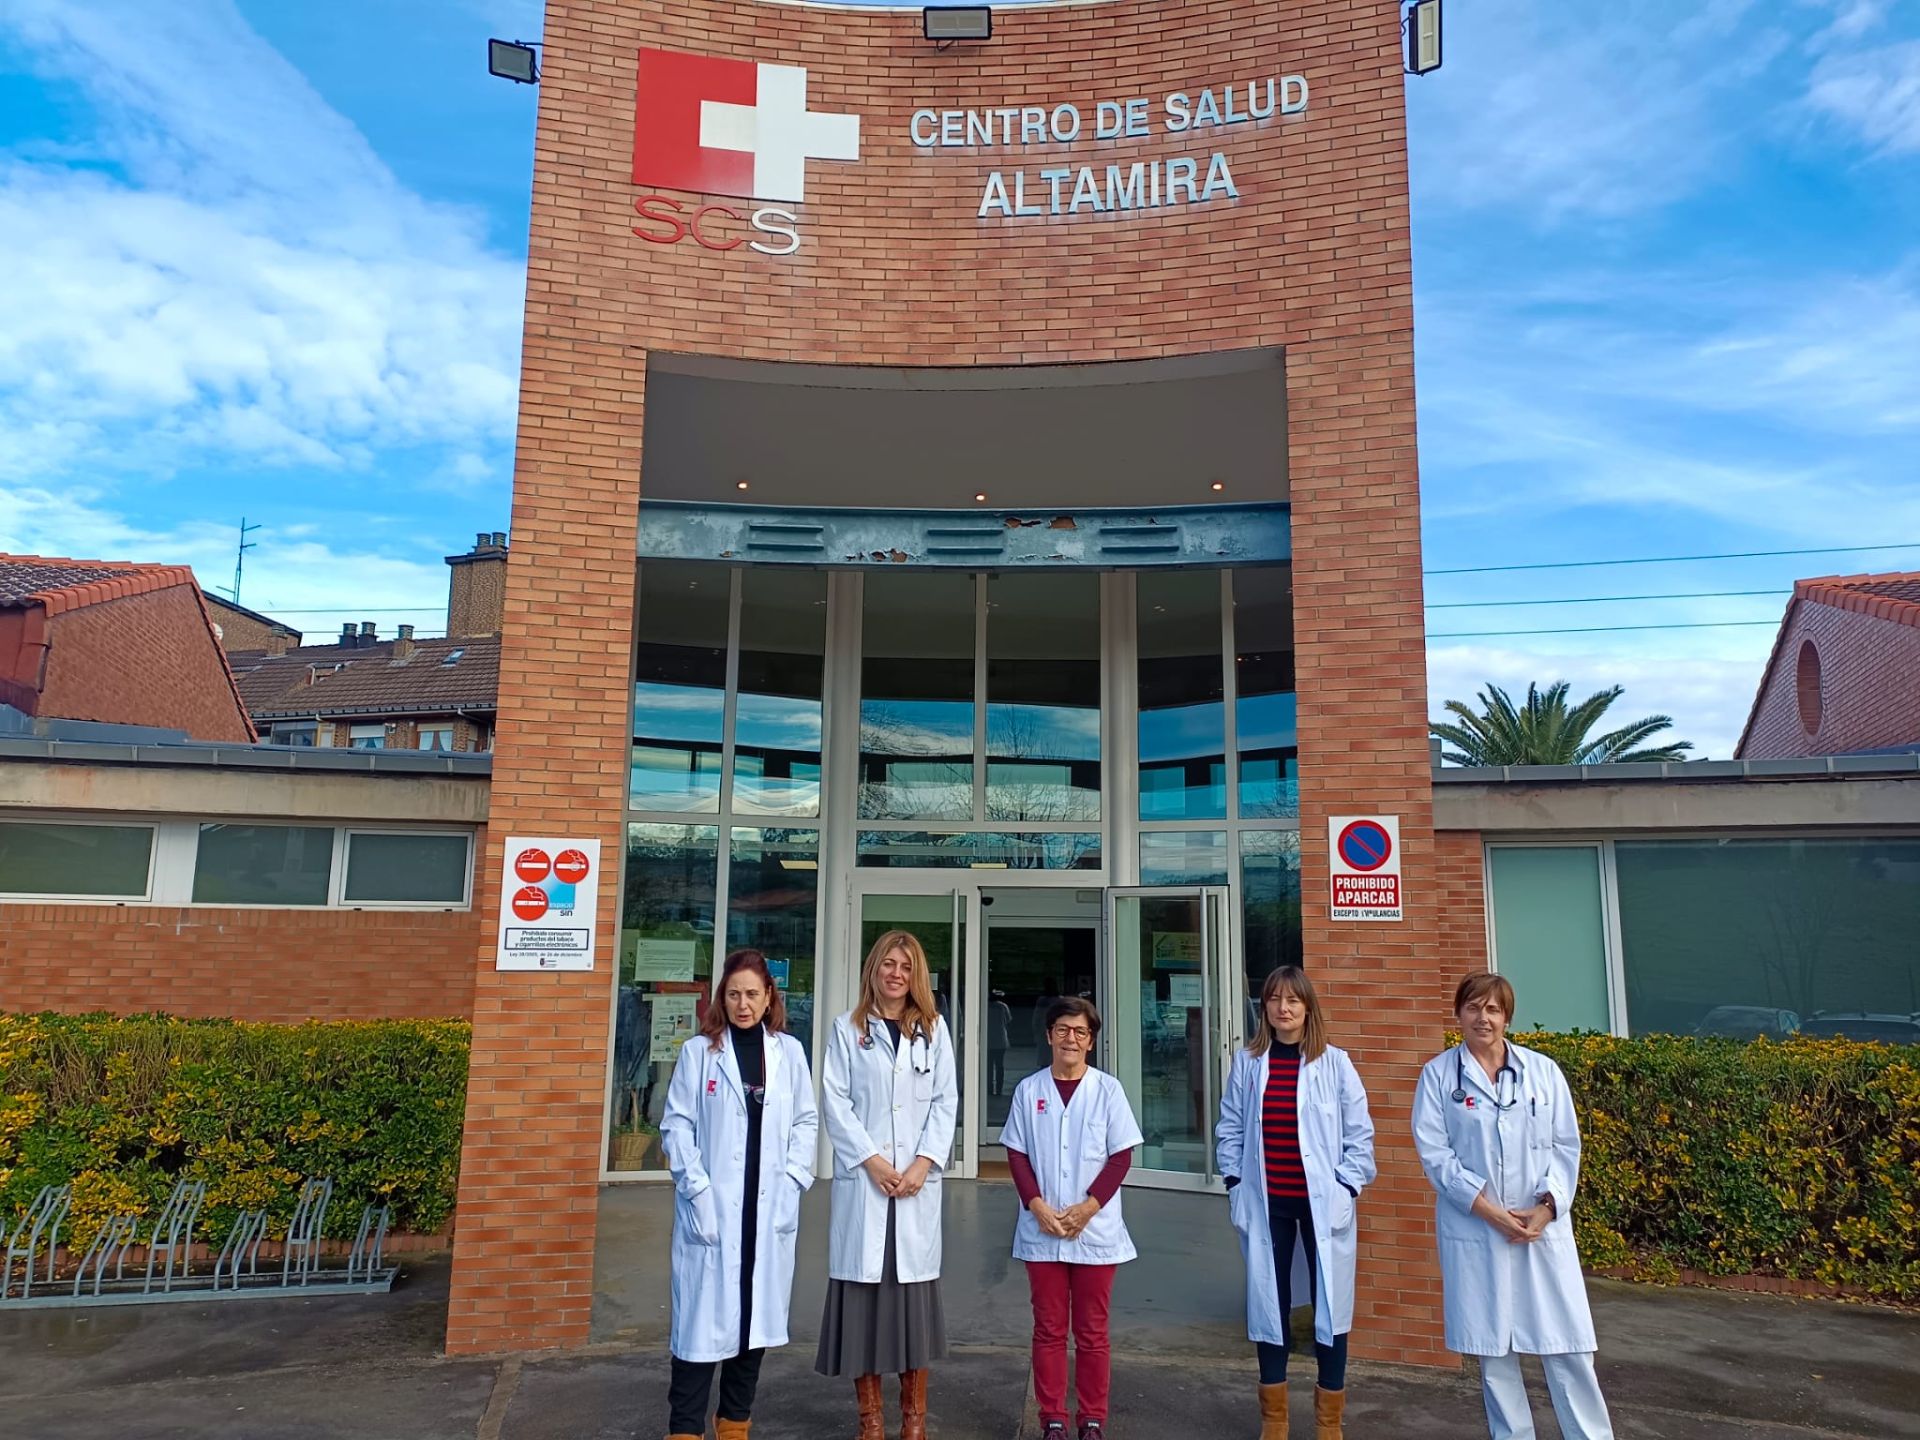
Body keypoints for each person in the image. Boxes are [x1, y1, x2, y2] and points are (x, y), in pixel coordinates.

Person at [1412, 973, 1616, 1440]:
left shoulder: (1543, 1073)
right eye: (1473, 1008)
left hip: (1541, 1232)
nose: (1483, 1018)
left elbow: (1567, 1146)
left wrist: (1546, 1208)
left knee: (1567, 1348)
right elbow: (1436, 1156)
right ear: (1458, 1013)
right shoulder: (1438, 1076)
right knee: (1495, 1355)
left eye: (1493, 1010)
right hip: (1479, 1232)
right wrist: (1490, 1211)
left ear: (1507, 1017)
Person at [661, 949, 819, 1440]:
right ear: (721, 999)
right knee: (697, 1336)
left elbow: (806, 1122)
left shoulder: (788, 1052)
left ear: (769, 995)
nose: (743, 1004)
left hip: (766, 1210)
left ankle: (734, 1425)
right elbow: (676, 1127)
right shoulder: (698, 1052)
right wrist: (697, 1187)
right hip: (714, 1209)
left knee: (752, 1329)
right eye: (734, 995)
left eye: (752, 994)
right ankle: (685, 1430)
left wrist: (793, 1180)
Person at [1216, 966, 1376, 1440]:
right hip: (1269, 1203)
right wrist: (1233, 1181)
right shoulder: (1248, 1063)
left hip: (1322, 1205)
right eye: (1273, 1000)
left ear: (1308, 1008)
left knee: (1332, 1306)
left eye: (1292, 1000)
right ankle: (1275, 1420)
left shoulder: (1335, 1063)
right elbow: (1229, 1127)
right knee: (1271, 1304)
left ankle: (1329, 1423)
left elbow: (1360, 1138)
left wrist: (1346, 1187)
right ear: (1263, 1007)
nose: (1282, 1008)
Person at [817, 930, 959, 1440]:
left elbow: (945, 1101)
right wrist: (872, 1161)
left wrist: (924, 1162)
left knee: (912, 1313)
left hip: (916, 1188)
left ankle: (913, 1421)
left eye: (905, 966)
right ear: (873, 969)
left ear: (915, 974)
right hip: (868, 1185)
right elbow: (835, 1102)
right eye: (887, 964)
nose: (896, 973)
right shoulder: (847, 1029)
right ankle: (870, 1420)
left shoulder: (934, 1030)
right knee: (864, 1311)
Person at [999, 996, 1143, 1440]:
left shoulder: (1108, 1090)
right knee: (1048, 1328)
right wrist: (1036, 1204)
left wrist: (1089, 1207)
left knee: (1093, 1330)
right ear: (1048, 1036)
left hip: (1094, 1228)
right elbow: (1017, 1154)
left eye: (1080, 1032)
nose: (1071, 1039)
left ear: (1092, 1041)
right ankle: (1053, 1417)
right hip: (1042, 1227)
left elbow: (1121, 1157)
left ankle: (1093, 1417)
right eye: (1062, 1029)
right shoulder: (1030, 1090)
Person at [987, 989, 1013, 1098]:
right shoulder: (1002, 1006)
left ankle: (988, 1088)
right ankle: (999, 1089)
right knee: (999, 1065)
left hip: (988, 1040)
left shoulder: (985, 1007)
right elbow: (1008, 1020)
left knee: (988, 1066)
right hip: (1000, 1039)